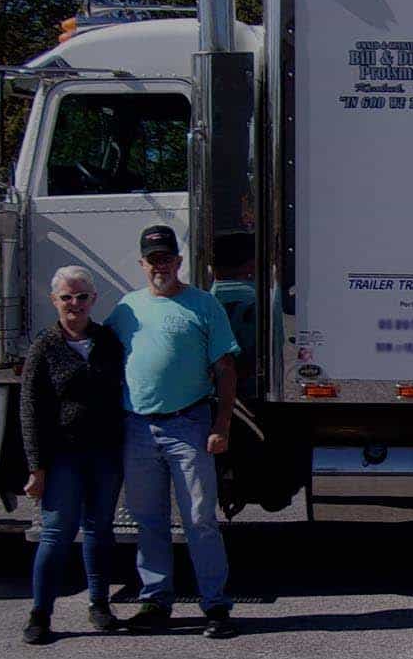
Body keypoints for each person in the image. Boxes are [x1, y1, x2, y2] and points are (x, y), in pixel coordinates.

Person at [106, 225, 240, 639]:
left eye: (167, 258)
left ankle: (215, 605)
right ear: (142, 264)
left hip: (189, 424)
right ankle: (155, 600)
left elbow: (227, 370)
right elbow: (102, 358)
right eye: (152, 259)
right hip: (138, 427)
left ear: (179, 262)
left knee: (200, 518)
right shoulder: (126, 309)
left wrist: (222, 426)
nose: (159, 266)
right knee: (149, 521)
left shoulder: (204, 306)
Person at [18, 265, 125, 645]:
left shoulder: (109, 341)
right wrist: (36, 467)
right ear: (54, 301)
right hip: (62, 455)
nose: (74, 304)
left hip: (105, 454)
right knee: (56, 533)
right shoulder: (44, 347)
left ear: (93, 300)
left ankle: (99, 605)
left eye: (82, 296)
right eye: (67, 297)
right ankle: (40, 613)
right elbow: (30, 410)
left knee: (100, 531)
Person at [208, 231, 257, 398]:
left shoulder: (205, 300)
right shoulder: (260, 298)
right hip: (250, 386)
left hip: (214, 388)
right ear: (250, 265)